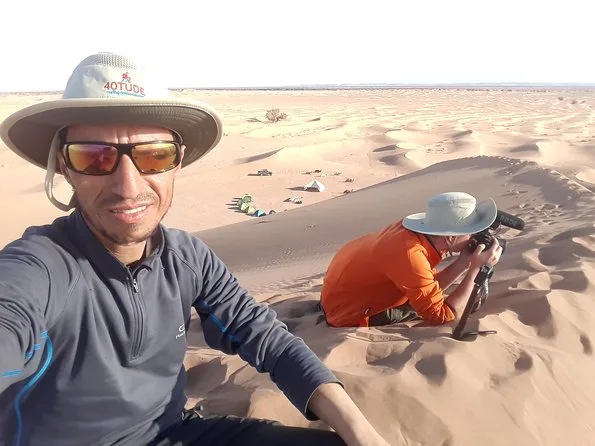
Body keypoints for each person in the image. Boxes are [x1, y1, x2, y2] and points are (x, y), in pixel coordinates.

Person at [0, 53, 390, 446]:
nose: (128, 186)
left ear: (178, 162)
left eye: (154, 155)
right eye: (93, 157)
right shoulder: (39, 267)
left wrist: (362, 433)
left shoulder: (187, 258)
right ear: (64, 167)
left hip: (172, 434)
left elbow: (268, 339)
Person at [319, 192, 503, 328]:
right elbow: (441, 316)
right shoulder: (409, 254)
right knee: (459, 307)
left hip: (341, 296)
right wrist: (475, 270)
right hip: (348, 314)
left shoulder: (412, 234)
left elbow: (425, 284)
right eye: (472, 232)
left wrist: (464, 263)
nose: (476, 237)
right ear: (450, 237)